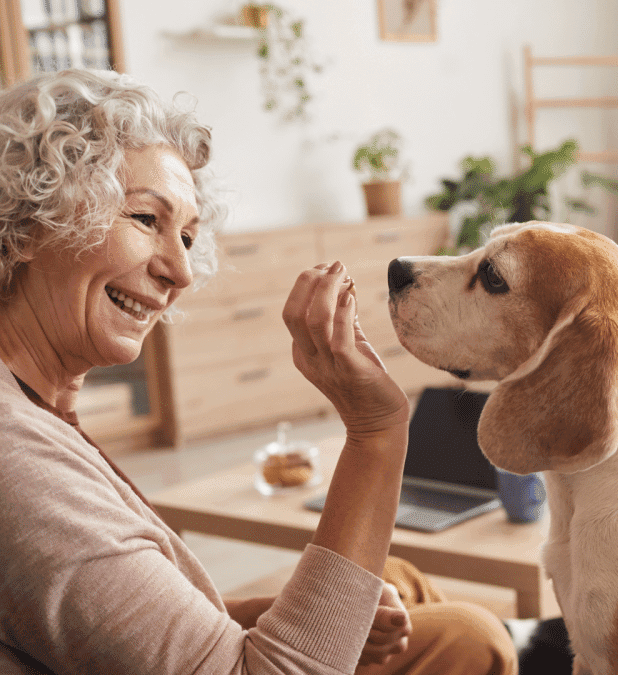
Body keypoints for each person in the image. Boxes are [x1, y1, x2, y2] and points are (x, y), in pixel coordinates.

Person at [0, 69, 515, 674]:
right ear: (30, 221)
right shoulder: (21, 464)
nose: (180, 272)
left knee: (397, 582)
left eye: (188, 238)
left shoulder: (34, 407)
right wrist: (378, 431)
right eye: (146, 220)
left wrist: (257, 611)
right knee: (469, 637)